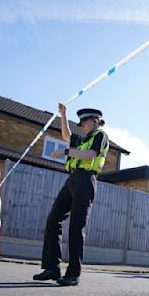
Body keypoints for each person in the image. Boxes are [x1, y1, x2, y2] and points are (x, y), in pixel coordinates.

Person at [33, 103, 109, 286]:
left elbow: (91, 154)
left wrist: (66, 151)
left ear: (95, 121)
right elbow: (66, 136)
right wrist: (63, 114)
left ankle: (73, 273)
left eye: (84, 122)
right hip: (72, 179)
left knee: (76, 226)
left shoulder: (100, 135)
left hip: (86, 180)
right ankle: (52, 268)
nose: (82, 125)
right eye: (81, 123)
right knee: (53, 219)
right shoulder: (83, 139)